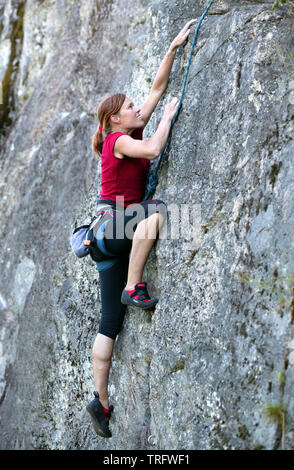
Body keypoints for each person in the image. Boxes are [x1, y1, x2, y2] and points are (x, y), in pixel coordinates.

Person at [86, 19, 197, 438]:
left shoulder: (123, 130)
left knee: (108, 322)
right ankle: (134, 285)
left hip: (106, 237)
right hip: (114, 224)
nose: (138, 109)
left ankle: (101, 401)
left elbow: (155, 89)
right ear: (114, 119)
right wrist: (168, 119)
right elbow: (152, 147)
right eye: (129, 108)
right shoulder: (119, 141)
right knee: (155, 212)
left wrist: (172, 48)